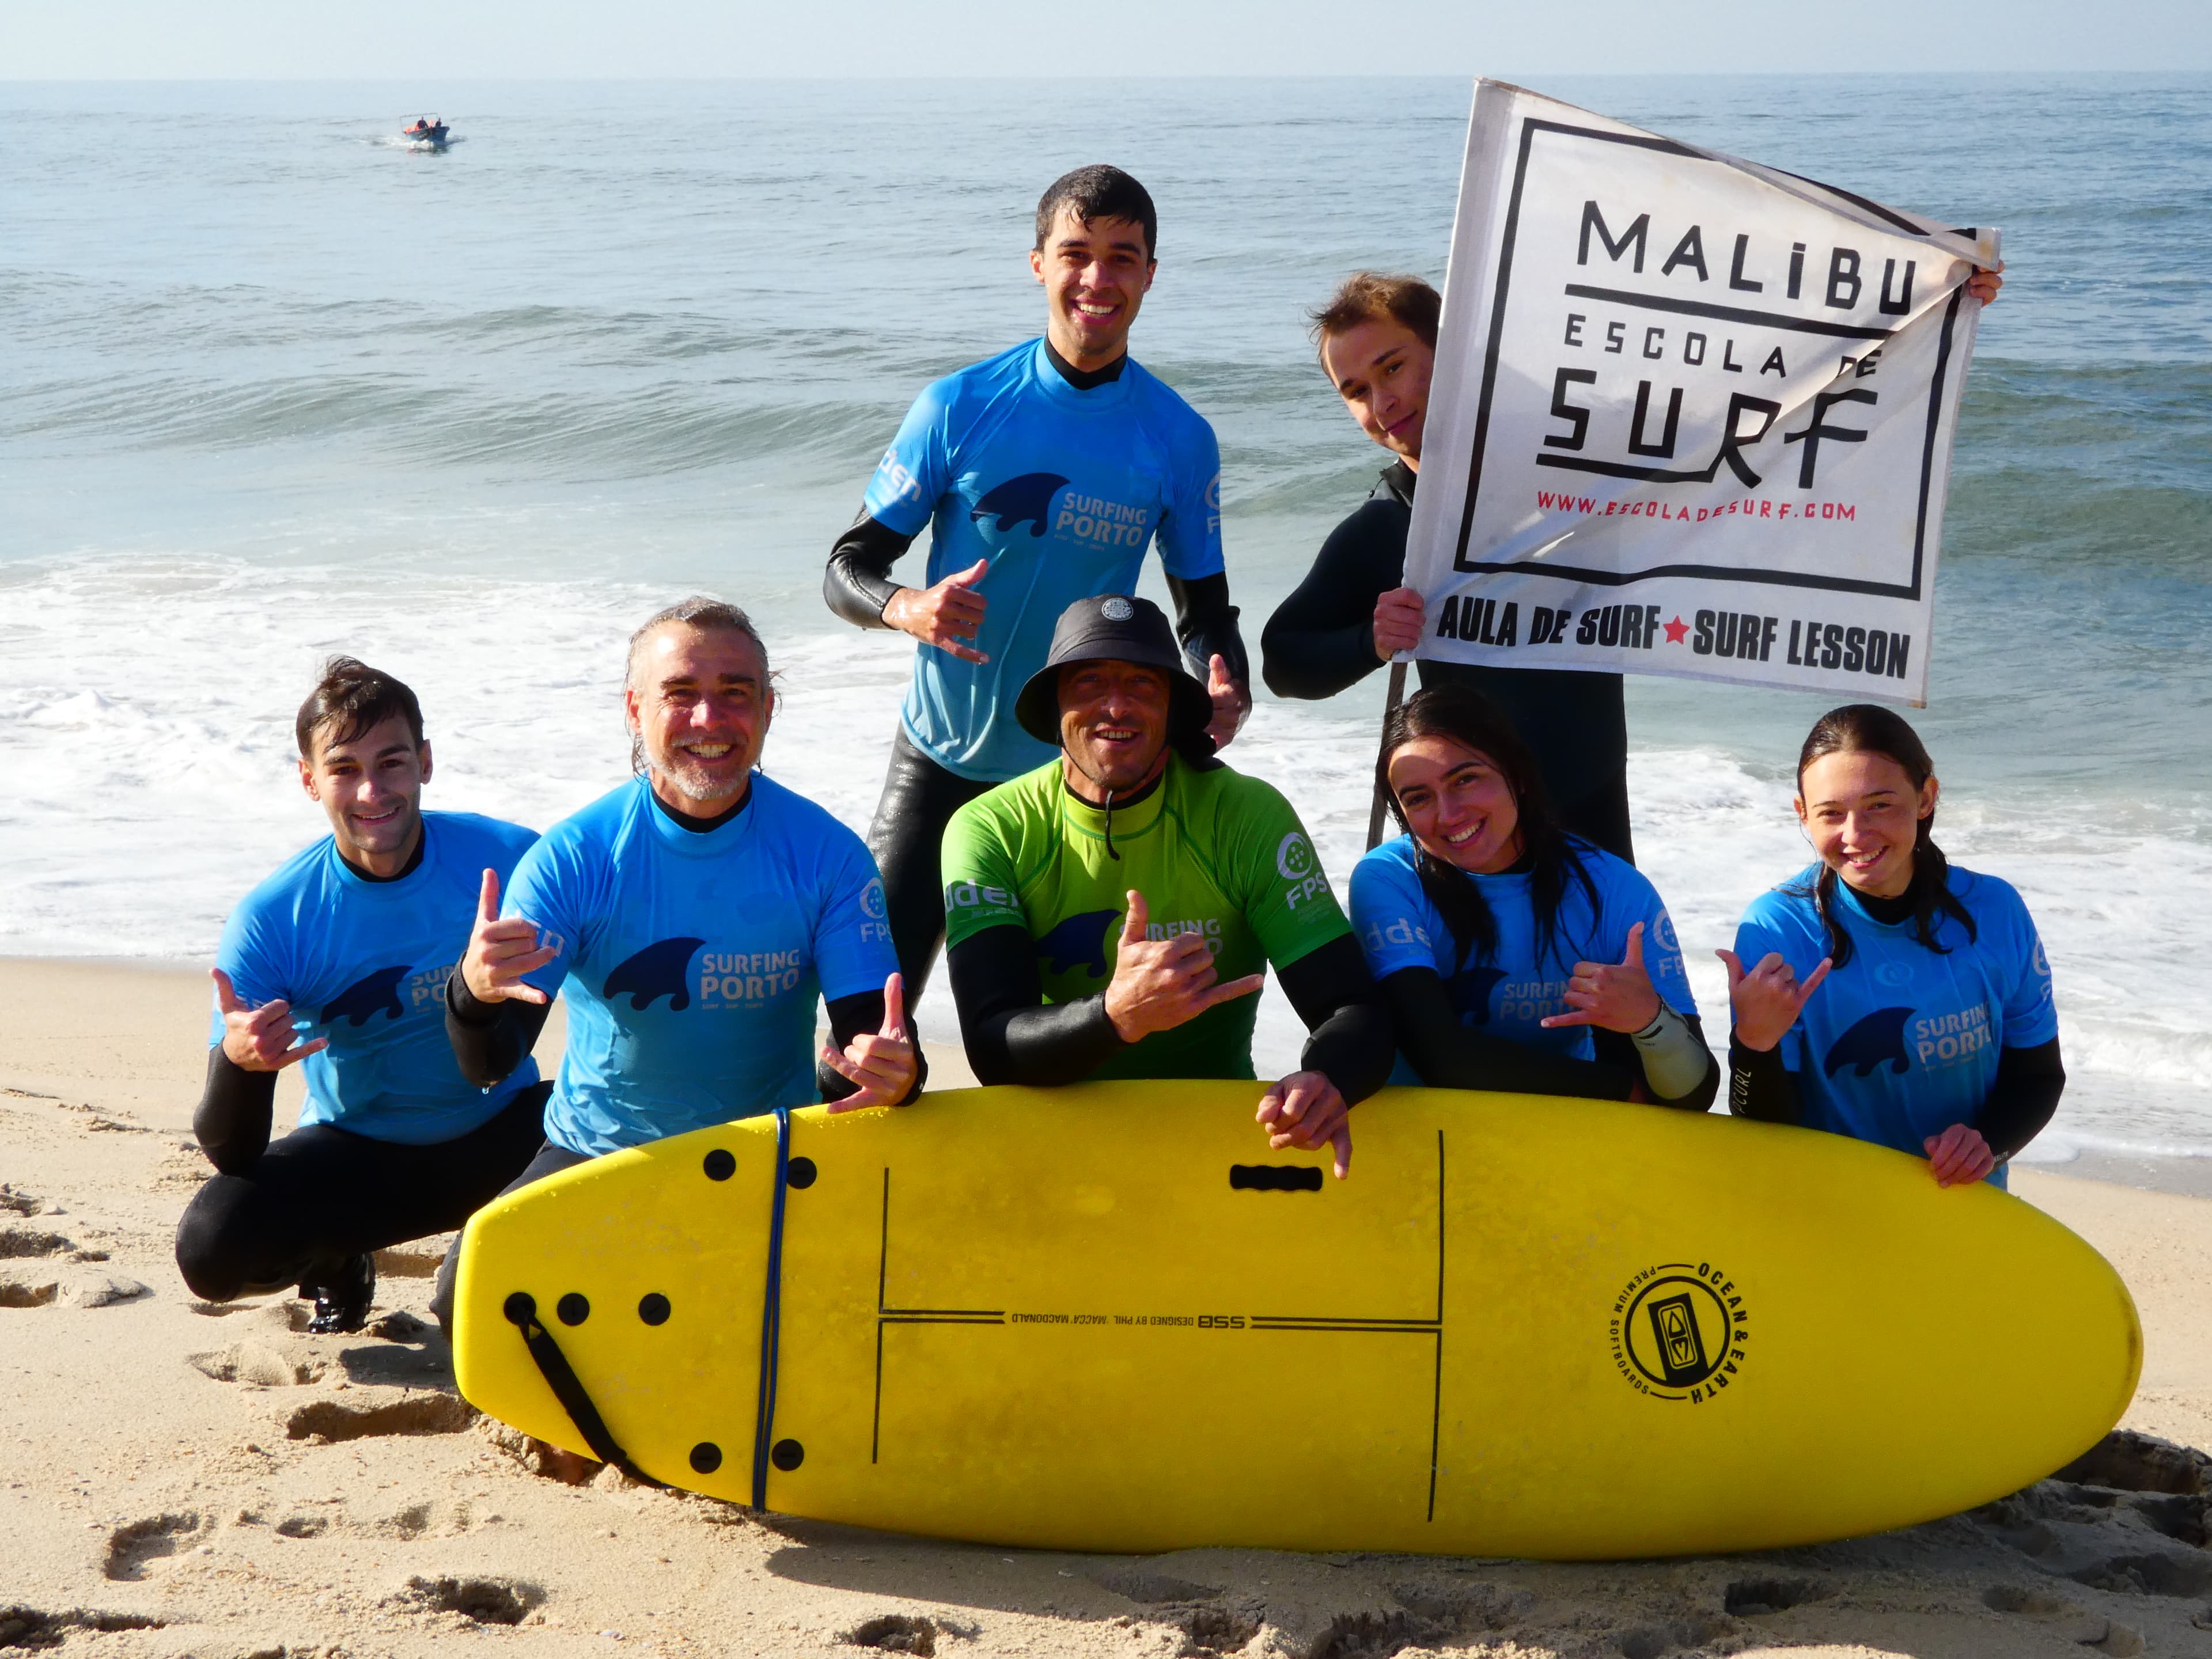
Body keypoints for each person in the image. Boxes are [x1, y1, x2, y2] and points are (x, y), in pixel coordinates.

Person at [1261, 266, 2007, 863]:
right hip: (1467, 845)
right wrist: (1372, 639)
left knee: (1625, 1042)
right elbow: (1285, 662)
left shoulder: (1578, 482)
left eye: (1393, 367)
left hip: (1594, 824)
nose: (1380, 402)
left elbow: (1753, 401)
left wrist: (1926, 307)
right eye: (1355, 391)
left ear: (1450, 354)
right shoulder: (1389, 528)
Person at [824, 164, 1252, 1003]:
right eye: (1076, 254)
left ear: (1150, 275)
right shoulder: (961, 405)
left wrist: (1220, 675)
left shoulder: (1178, 438)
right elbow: (847, 568)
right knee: (867, 1018)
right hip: (938, 761)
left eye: (1123, 257)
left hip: (1076, 781)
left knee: (1066, 1032)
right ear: (1038, 264)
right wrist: (906, 607)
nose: (1098, 279)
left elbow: (1206, 610)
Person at [436, 597, 917, 1321]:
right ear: (635, 710)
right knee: (467, 1301)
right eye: (680, 694)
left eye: (735, 694)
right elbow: (490, 1065)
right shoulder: (577, 858)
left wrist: (894, 1075)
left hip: (766, 1151)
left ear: (768, 708)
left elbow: (870, 1042)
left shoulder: (828, 857)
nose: (708, 719)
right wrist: (472, 992)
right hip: (603, 1156)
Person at [938, 594, 1392, 1177]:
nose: (1116, 706)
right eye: (1089, 682)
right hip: (1053, 1135)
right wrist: (1117, 1016)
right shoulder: (991, 829)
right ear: (1054, 706)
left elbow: (1354, 1009)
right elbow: (991, 1046)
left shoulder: (1244, 816)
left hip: (1213, 1138)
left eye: (1143, 686)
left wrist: (1327, 1081)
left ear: (1175, 708)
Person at [173, 658, 546, 1334]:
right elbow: (231, 1149)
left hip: (510, 1133)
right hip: (361, 1159)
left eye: (393, 762)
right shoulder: (275, 918)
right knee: (213, 1245)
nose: (373, 790)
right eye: (345, 768)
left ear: (426, 762)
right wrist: (241, 1064)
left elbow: (618, 980)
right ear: (309, 779)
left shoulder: (510, 859)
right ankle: (341, 1260)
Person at [1721, 704, 2062, 1187]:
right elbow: (1760, 1130)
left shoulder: (1995, 911)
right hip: (1831, 1209)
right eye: (1831, 814)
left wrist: (1987, 1143)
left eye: (1879, 805)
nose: (1855, 835)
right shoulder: (1779, 931)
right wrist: (1754, 1044)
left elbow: (2040, 1077)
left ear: (1926, 797)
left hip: (1963, 1205)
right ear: (1802, 813)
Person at [1350, 683, 1718, 1109]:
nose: (1448, 815)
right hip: (1420, 1126)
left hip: (1559, 1132)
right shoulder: (1390, 880)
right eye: (1419, 799)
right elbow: (1442, 1060)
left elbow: (1695, 1095)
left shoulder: (1613, 890)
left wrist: (1652, 1023)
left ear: (1517, 776)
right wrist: (1617, 1089)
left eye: (1466, 779)